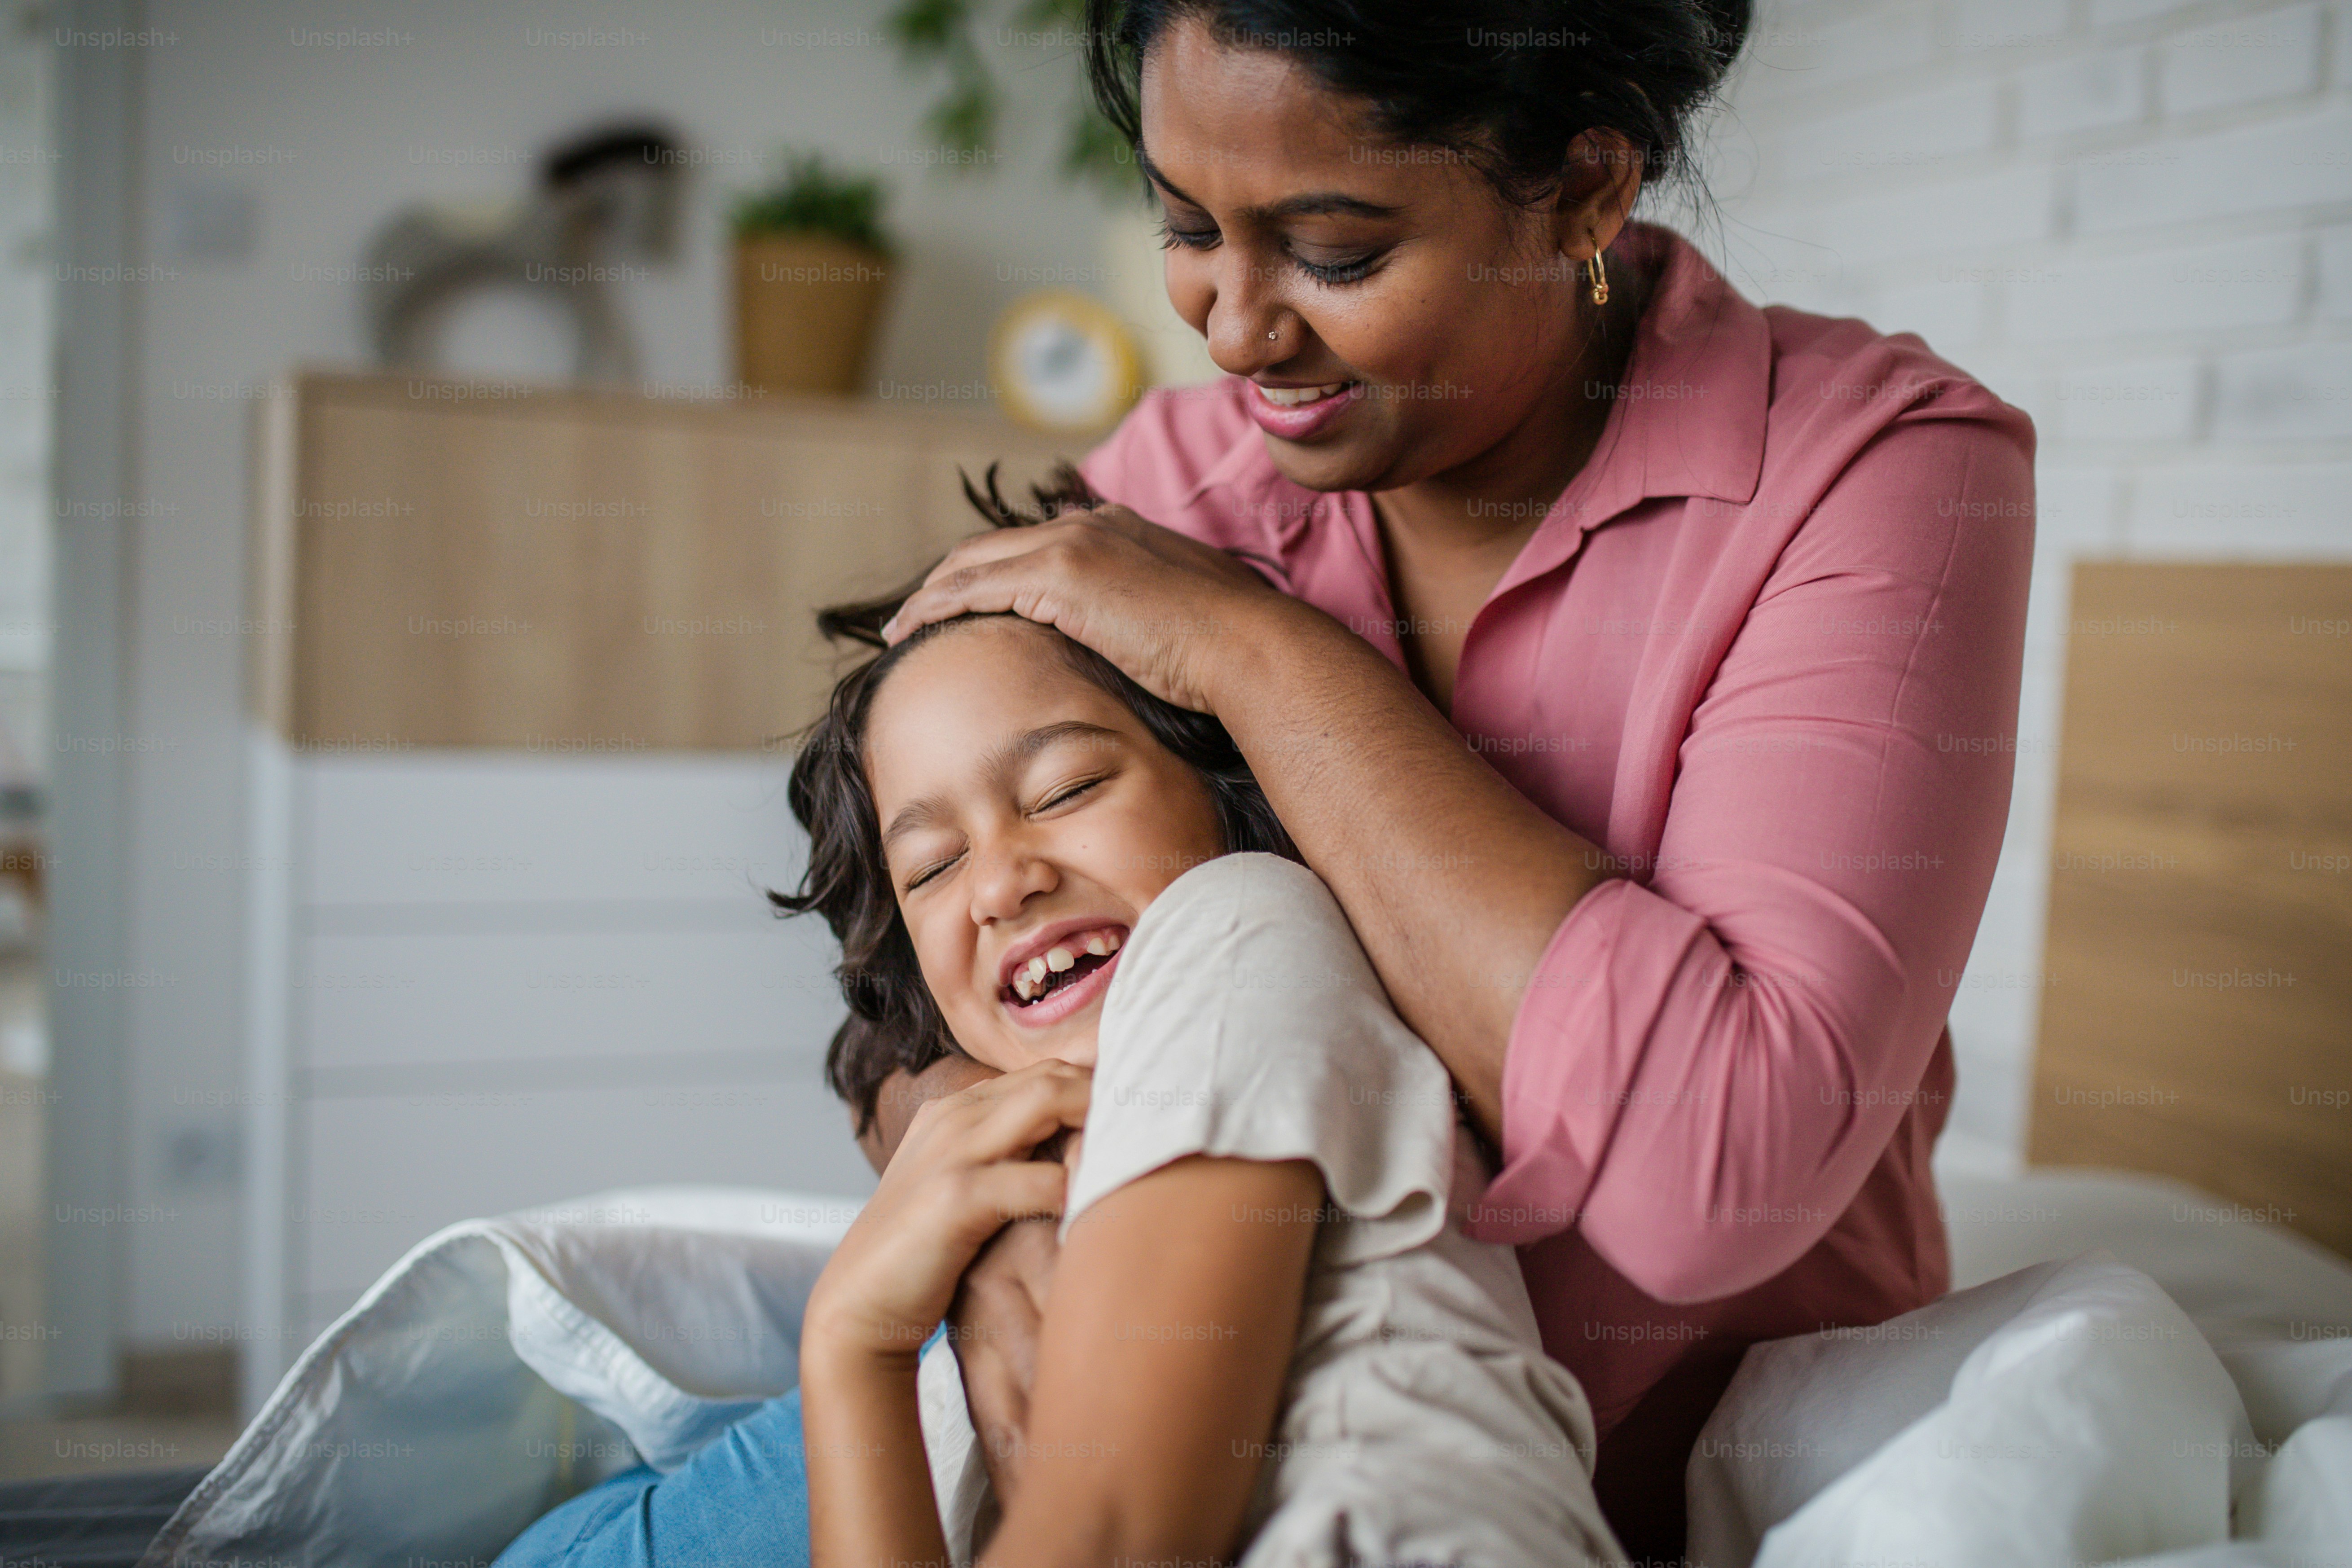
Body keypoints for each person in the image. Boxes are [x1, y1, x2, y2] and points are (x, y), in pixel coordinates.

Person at [873, 0, 2035, 1556]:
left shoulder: (1873, 473)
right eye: (1188, 229)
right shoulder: (1176, 481)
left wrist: (1262, 655)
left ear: (1586, 191)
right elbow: (902, 964)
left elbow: (1716, 1185)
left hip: (1719, 1487)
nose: (1231, 333)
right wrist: (972, 1199)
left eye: (1336, 252)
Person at [498, 470, 1627, 1567]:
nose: (1000, 884)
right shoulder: (1042, 1099)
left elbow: (1113, 1538)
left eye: (1066, 792)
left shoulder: (1239, 924)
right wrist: (853, 1343)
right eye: (932, 867)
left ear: (1232, 793)